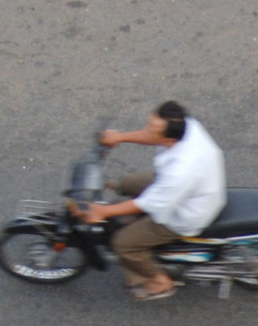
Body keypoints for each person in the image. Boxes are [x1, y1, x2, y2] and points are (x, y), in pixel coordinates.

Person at [75, 101, 227, 301]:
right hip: (188, 188)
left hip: (184, 214)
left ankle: (161, 282)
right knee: (127, 183)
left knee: (124, 243)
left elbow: (148, 203)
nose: (146, 131)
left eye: (151, 129)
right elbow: (152, 136)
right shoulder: (186, 125)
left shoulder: (181, 170)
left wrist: (104, 211)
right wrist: (120, 137)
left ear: (169, 140)